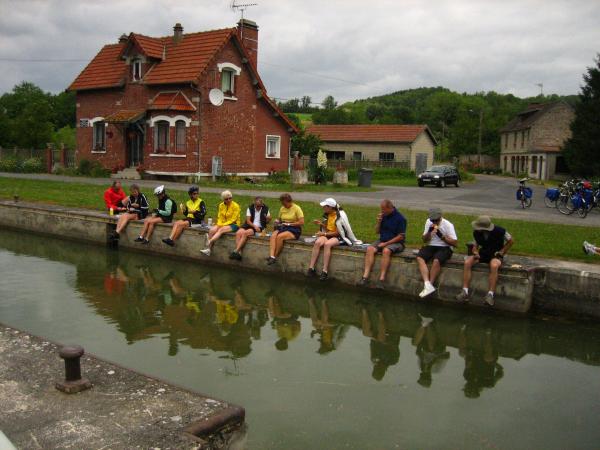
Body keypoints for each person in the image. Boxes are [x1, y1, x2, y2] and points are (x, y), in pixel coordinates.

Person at [455, 215, 514, 306]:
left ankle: (490, 295)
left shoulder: (500, 231)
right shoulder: (476, 233)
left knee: (494, 265)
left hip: (495, 255)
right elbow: (475, 246)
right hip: (483, 253)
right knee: (467, 262)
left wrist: (502, 252)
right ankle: (465, 291)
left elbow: (511, 241)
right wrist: (475, 253)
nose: (477, 229)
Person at [307, 197, 360, 280]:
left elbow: (339, 232)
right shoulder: (328, 214)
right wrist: (321, 224)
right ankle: (311, 268)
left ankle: (325, 271)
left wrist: (324, 233)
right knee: (317, 242)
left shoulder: (339, 216)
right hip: (329, 234)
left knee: (327, 244)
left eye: (325, 206)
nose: (323, 208)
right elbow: (329, 228)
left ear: (330, 207)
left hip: (339, 237)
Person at [359, 199, 407, 287]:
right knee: (370, 249)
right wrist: (378, 222)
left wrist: (386, 244)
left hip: (397, 242)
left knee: (386, 251)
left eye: (383, 209)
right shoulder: (383, 216)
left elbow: (401, 236)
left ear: (390, 208)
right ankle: (365, 277)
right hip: (382, 240)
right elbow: (377, 232)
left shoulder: (400, 218)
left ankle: (382, 279)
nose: (382, 211)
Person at [417, 208, 458, 298]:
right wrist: (429, 232)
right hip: (432, 245)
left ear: (440, 218)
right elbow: (424, 240)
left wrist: (442, 237)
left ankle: (430, 285)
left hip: (445, 247)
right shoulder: (428, 222)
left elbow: (455, 243)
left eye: (436, 220)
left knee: (436, 260)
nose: (435, 222)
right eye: (433, 220)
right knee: (420, 257)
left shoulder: (448, 225)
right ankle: (427, 284)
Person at [267, 193, 304, 265]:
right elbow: (280, 219)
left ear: (289, 201)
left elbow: (301, 222)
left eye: (284, 203)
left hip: (294, 228)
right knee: (273, 235)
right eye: (282, 203)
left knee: (280, 237)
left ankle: (275, 256)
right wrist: (277, 221)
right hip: (283, 226)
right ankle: (271, 256)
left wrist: (290, 224)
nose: (283, 205)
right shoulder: (282, 208)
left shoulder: (297, 208)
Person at [200, 190, 240, 256]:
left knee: (221, 230)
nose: (229, 200)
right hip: (223, 223)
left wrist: (222, 225)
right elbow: (220, 217)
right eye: (226, 199)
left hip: (234, 224)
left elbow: (233, 219)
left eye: (230, 198)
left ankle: (209, 241)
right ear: (223, 199)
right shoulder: (221, 205)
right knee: (212, 230)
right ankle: (208, 250)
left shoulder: (236, 206)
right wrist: (219, 224)